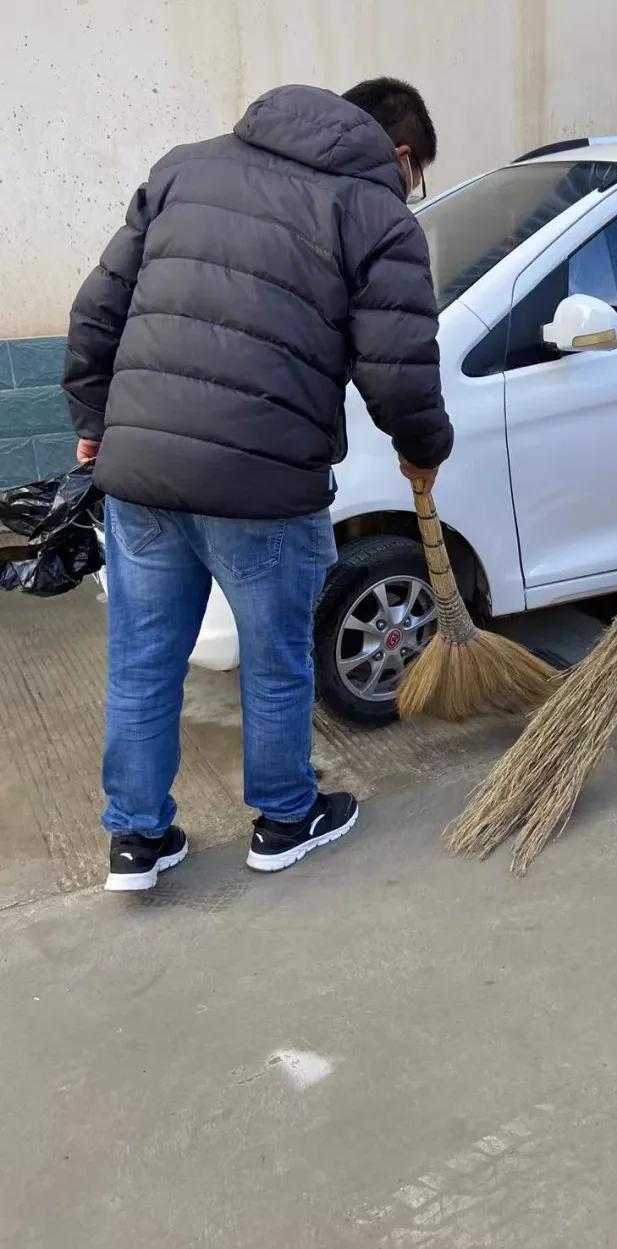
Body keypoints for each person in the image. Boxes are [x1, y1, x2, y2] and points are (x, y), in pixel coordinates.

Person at [62, 79, 454, 890]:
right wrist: (425, 449)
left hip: (142, 475)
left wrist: (94, 421)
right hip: (265, 486)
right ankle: (284, 818)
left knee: (141, 661)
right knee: (275, 664)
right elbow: (398, 368)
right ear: (403, 155)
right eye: (414, 179)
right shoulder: (377, 215)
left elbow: (97, 307)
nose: (407, 193)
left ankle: (136, 842)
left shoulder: (185, 168)